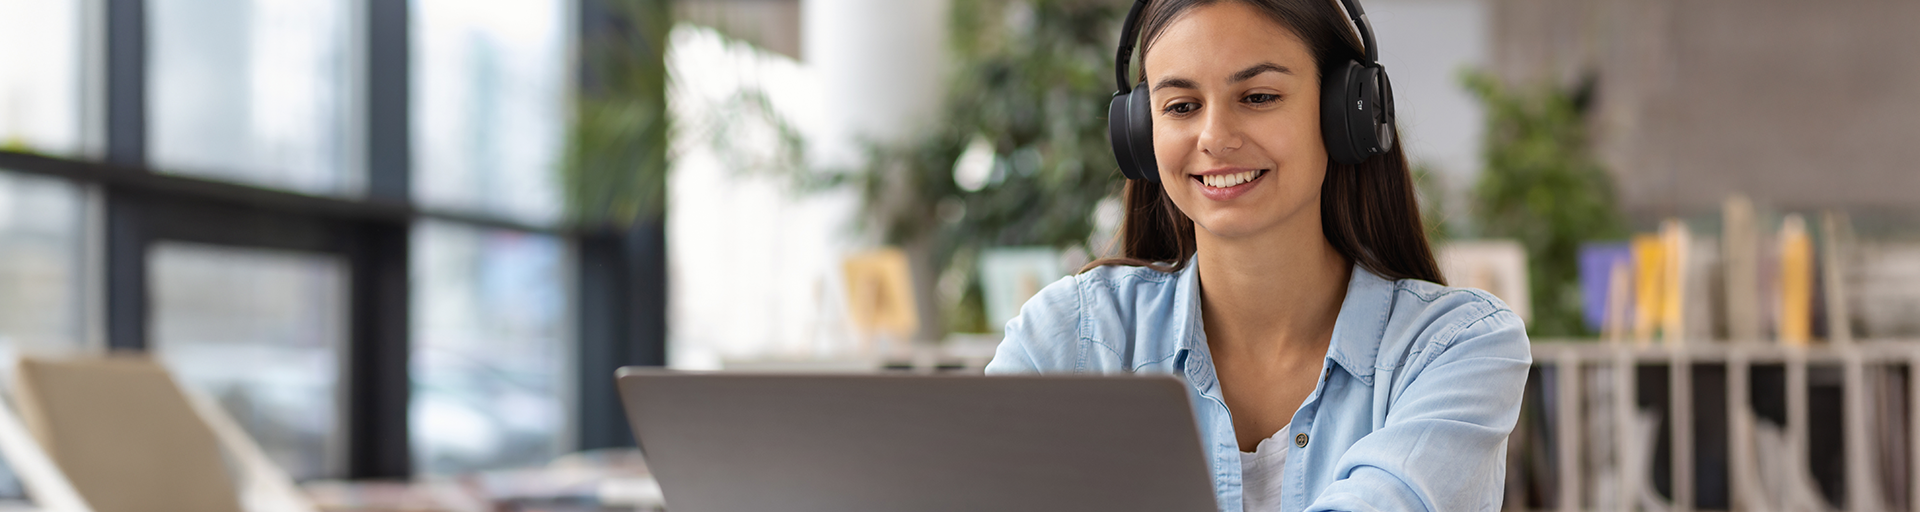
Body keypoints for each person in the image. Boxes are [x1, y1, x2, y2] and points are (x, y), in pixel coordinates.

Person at [983, 0, 1531, 511]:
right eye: (1181, 106)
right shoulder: (1067, 338)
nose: (1215, 137)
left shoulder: (1455, 348)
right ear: (1142, 132)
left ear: (1345, 113)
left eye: (1258, 97)